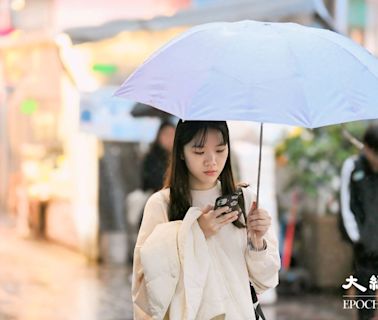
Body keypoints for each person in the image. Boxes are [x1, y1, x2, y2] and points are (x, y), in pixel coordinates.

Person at [132, 120, 280, 319]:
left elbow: (266, 280)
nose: (212, 161)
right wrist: (195, 232)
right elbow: (145, 285)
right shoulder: (161, 204)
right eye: (199, 152)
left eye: (220, 150)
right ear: (181, 153)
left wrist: (257, 241)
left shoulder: (245, 200)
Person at [340, 123, 378, 320]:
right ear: (368, 149)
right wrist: (358, 237)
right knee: (366, 299)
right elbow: (346, 204)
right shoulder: (353, 166)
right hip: (365, 246)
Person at [141, 120, 176, 193]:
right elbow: (153, 180)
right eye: (166, 134)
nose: (169, 138)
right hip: (155, 193)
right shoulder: (151, 157)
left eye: (172, 134)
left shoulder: (180, 156)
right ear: (158, 136)